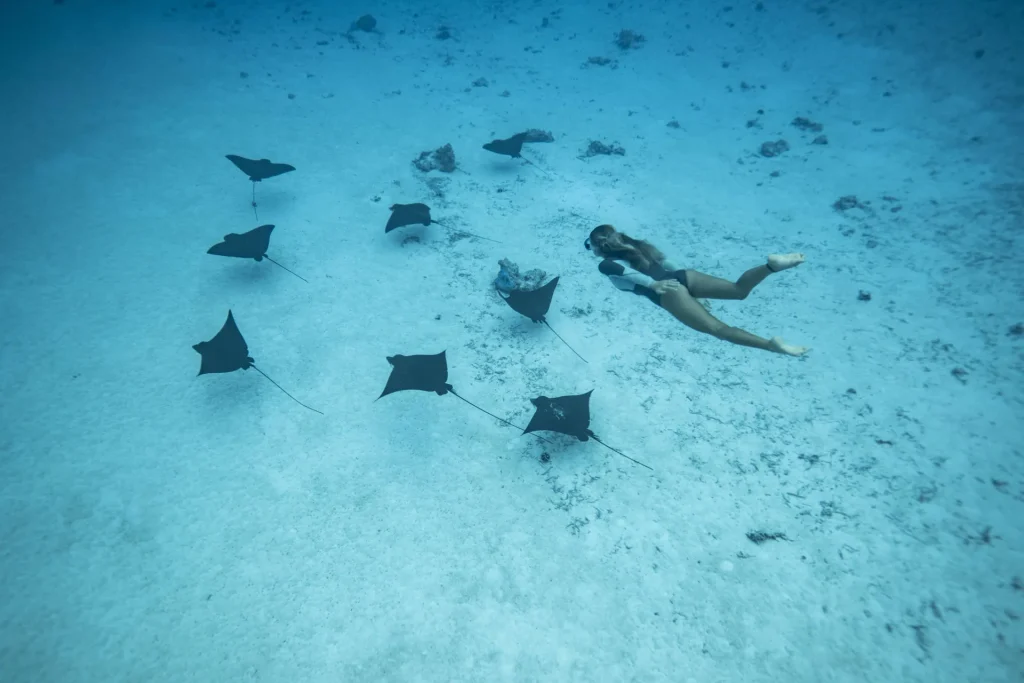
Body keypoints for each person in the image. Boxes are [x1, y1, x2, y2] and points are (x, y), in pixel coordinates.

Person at [585, 224, 810, 356]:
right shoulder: (639, 246)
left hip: (668, 292)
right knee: (738, 289)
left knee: (718, 329)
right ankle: (772, 266)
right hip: (683, 276)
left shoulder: (607, 263)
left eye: (590, 245)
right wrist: (693, 294)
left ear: (598, 247)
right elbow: (670, 265)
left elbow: (615, 269)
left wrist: (654, 285)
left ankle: (771, 345)